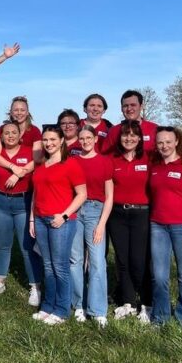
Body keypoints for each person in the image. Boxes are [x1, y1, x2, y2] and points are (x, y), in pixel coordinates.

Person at [30, 125, 87, 325]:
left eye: (53, 139)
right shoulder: (41, 165)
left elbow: (82, 194)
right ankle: (48, 305)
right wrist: (32, 219)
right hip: (41, 219)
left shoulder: (70, 164)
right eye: (45, 140)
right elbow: (36, 195)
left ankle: (62, 310)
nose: (49, 143)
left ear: (61, 140)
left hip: (61, 222)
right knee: (47, 266)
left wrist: (63, 215)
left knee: (60, 267)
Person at [0, 121, 43, 306]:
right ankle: (0, 281)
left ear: (20, 135)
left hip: (23, 202)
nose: (10, 136)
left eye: (13, 132)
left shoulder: (29, 151)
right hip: (1, 203)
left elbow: (35, 169)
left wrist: (18, 173)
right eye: (6, 133)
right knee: (2, 245)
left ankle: (35, 286)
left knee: (26, 246)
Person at [149, 127, 182, 335]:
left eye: (168, 142)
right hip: (157, 226)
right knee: (159, 276)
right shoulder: (154, 166)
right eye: (160, 142)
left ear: (177, 142)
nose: (164, 146)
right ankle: (160, 317)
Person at [0, 96, 42, 263]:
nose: (19, 112)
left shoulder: (33, 131)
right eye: (16, 110)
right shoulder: (3, 129)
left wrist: (19, 173)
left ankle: (40, 242)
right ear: (11, 112)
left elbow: (37, 158)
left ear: (28, 112)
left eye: (22, 109)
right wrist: (13, 168)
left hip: (26, 172)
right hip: (3, 171)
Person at [106, 120, 153, 321]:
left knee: (140, 261)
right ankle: (128, 302)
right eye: (126, 134)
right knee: (122, 260)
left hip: (141, 214)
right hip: (117, 215)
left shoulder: (149, 158)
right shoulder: (112, 159)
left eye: (134, 135)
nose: (129, 138)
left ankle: (146, 304)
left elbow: (175, 158)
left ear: (140, 138)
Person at [71, 125, 114, 327]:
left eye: (89, 137)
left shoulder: (104, 162)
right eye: (82, 138)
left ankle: (97, 310)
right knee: (75, 259)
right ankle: (78, 304)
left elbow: (110, 195)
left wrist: (101, 224)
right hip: (75, 211)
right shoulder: (73, 161)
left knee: (97, 261)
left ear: (96, 139)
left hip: (96, 211)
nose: (85, 141)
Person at [101, 90, 158, 154]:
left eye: (133, 105)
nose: (129, 109)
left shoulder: (155, 129)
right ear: (121, 108)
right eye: (125, 106)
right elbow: (104, 156)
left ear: (141, 106)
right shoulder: (113, 131)